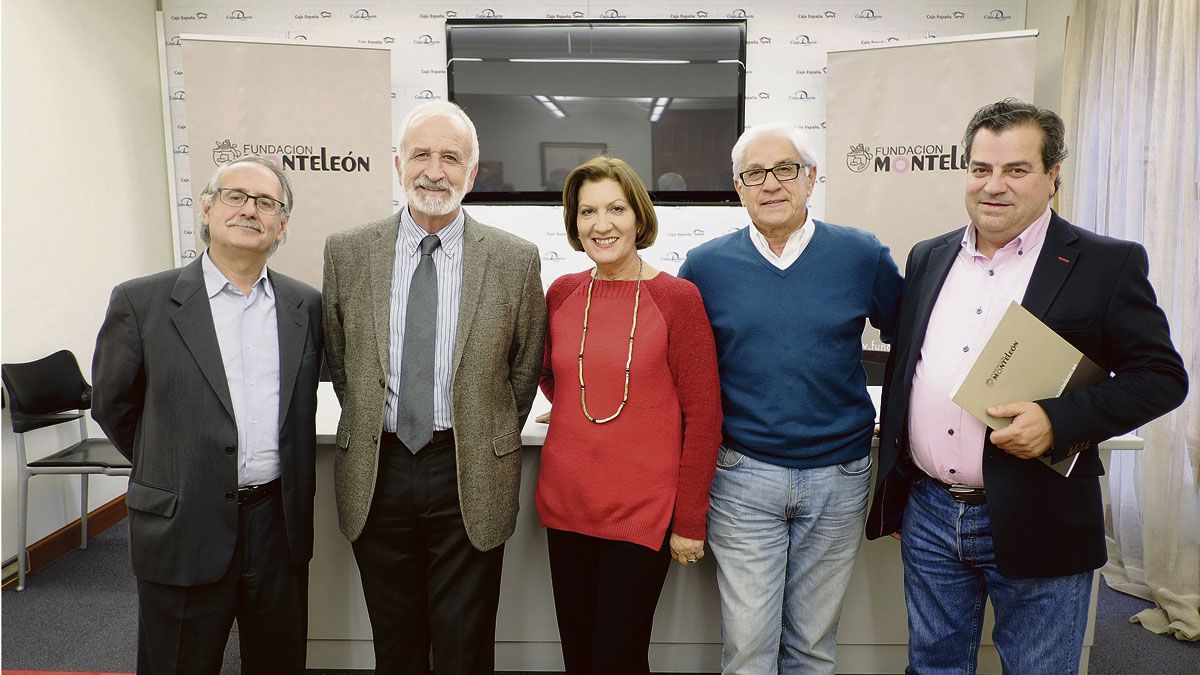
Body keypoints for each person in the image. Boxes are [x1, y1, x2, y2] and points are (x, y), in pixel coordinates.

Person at [865, 99, 1188, 672]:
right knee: (934, 665)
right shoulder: (929, 256)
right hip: (932, 512)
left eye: (1016, 170)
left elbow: (1161, 378)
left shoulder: (1104, 264)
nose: (994, 186)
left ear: (1052, 175)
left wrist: (1057, 421)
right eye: (981, 169)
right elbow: (908, 367)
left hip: (1042, 511)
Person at [322, 101, 546, 674]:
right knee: (394, 640)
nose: (434, 170)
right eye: (421, 154)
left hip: (468, 465)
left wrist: (486, 429)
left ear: (472, 174)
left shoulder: (513, 260)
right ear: (398, 165)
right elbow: (343, 361)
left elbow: (523, 369)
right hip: (380, 468)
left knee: (466, 643)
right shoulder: (348, 253)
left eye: (451, 157)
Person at [678, 122, 902, 674]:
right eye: (755, 173)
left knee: (811, 646)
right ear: (738, 187)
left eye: (785, 170)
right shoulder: (705, 267)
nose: (770, 184)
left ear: (810, 179)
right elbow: (682, 368)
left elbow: (914, 337)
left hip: (841, 476)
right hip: (742, 475)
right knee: (749, 648)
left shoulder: (860, 254)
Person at [92, 155, 321, 674]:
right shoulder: (142, 301)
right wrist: (173, 463)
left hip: (277, 529)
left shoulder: (305, 306)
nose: (250, 210)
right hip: (183, 522)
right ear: (208, 209)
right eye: (235, 196)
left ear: (282, 224)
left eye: (266, 203)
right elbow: (113, 405)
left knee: (278, 662)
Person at [537, 156, 723, 674]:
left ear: (638, 217)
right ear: (574, 224)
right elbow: (549, 374)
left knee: (617, 657)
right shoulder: (563, 293)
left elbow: (704, 415)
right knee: (578, 653)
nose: (602, 224)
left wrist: (690, 520)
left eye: (615, 209)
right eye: (587, 212)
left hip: (642, 512)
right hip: (567, 503)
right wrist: (575, 408)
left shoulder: (677, 299)